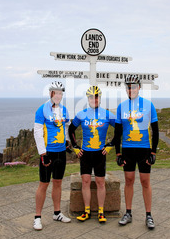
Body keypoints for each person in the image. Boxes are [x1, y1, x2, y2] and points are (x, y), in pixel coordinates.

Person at [112, 75, 159, 230]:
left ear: (139, 88)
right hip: (127, 149)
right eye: (128, 87)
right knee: (129, 180)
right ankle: (128, 213)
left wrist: (153, 152)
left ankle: (149, 215)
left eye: (133, 86)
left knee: (145, 181)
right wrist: (118, 153)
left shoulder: (148, 105)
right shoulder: (122, 106)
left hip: (144, 148)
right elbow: (117, 132)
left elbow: (155, 130)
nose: (130, 89)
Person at [68, 86, 115, 223]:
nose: (93, 99)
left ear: (99, 98)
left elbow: (120, 129)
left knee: (100, 182)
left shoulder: (107, 114)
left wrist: (111, 145)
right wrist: (76, 147)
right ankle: (86, 211)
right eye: (90, 97)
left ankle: (101, 211)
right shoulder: (82, 114)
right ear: (87, 99)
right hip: (86, 154)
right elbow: (71, 129)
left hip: (100, 153)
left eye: (96, 97)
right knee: (86, 182)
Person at [33, 81, 72, 230]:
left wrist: (67, 141)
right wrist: (43, 153)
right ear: (51, 94)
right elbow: (37, 132)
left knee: (58, 183)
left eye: (61, 93)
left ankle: (57, 213)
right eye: (56, 92)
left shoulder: (64, 110)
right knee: (44, 184)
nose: (58, 95)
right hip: (48, 152)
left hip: (60, 152)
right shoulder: (42, 110)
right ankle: (37, 217)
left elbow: (66, 126)